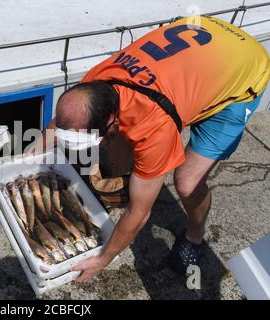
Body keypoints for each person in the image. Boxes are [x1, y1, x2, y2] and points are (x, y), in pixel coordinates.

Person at [33, 16, 270, 282]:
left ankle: (195, 235)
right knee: (122, 147)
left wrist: (103, 258)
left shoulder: (155, 127)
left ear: (112, 120)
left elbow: (140, 212)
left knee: (187, 183)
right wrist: (30, 155)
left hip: (243, 70)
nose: (95, 145)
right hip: (206, 37)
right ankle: (125, 183)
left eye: (94, 137)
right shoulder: (95, 83)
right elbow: (67, 117)